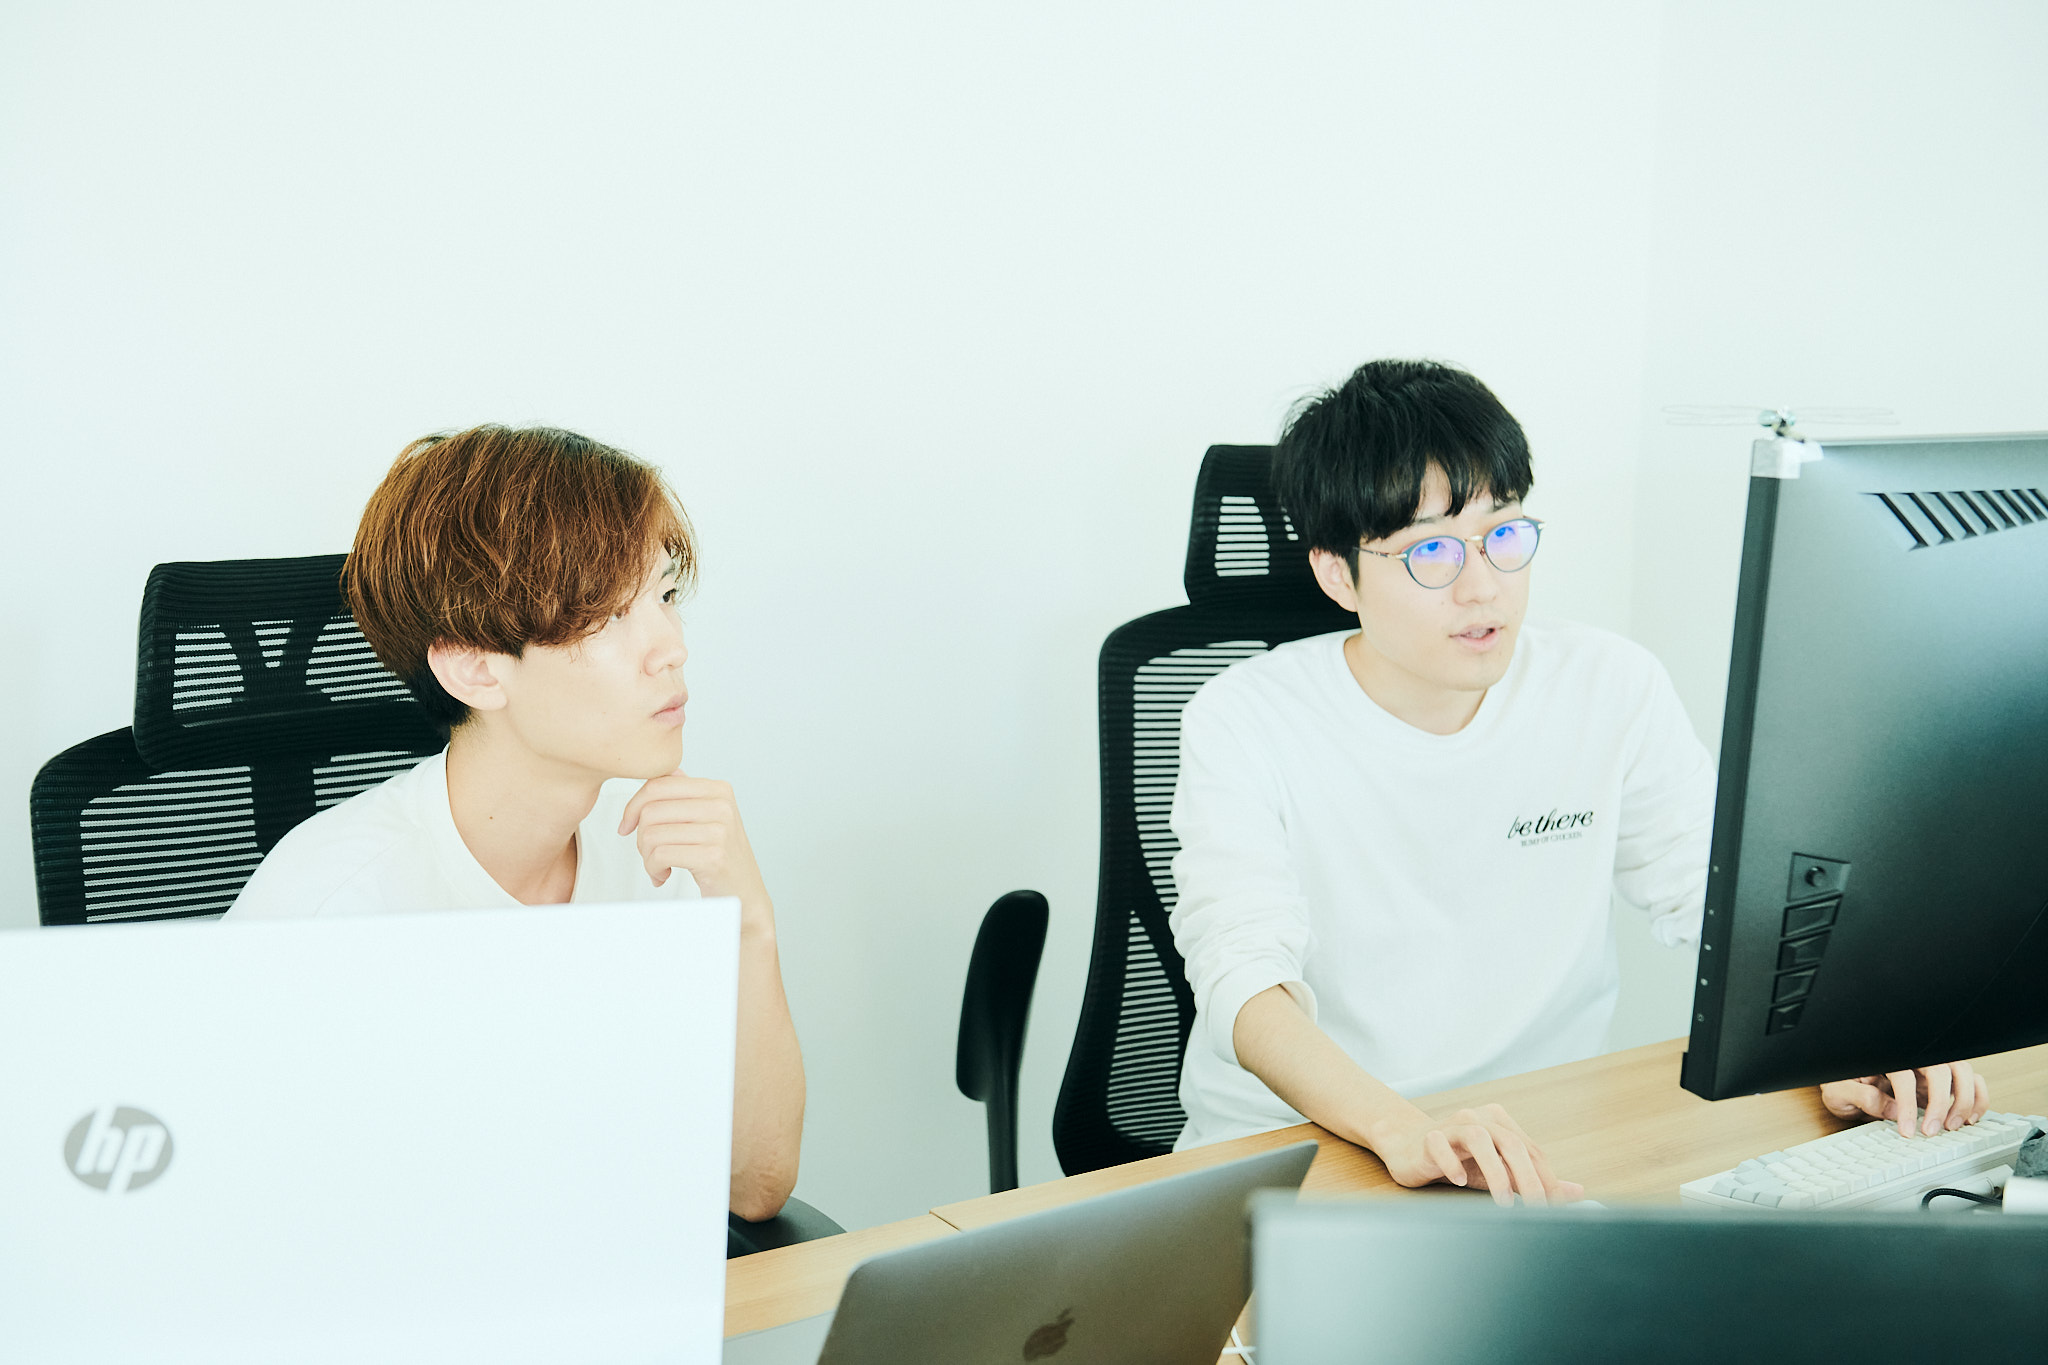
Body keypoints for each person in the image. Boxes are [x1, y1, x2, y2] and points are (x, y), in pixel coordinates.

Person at [1167, 359, 1991, 1204]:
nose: (1483, 587)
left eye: (1504, 534)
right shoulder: (1244, 719)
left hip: (1533, 1144)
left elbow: (1720, 901)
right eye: (1431, 552)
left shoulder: (1607, 684)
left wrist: (1841, 1043)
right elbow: (1244, 981)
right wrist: (1403, 1130)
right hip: (1295, 1155)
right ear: (1338, 573)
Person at [227, 424, 804, 1221]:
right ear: (474, 667)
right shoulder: (327, 905)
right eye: (609, 615)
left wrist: (747, 922)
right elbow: (247, 1222)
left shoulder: (656, 846)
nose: (671, 647)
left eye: (666, 597)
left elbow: (754, 1186)